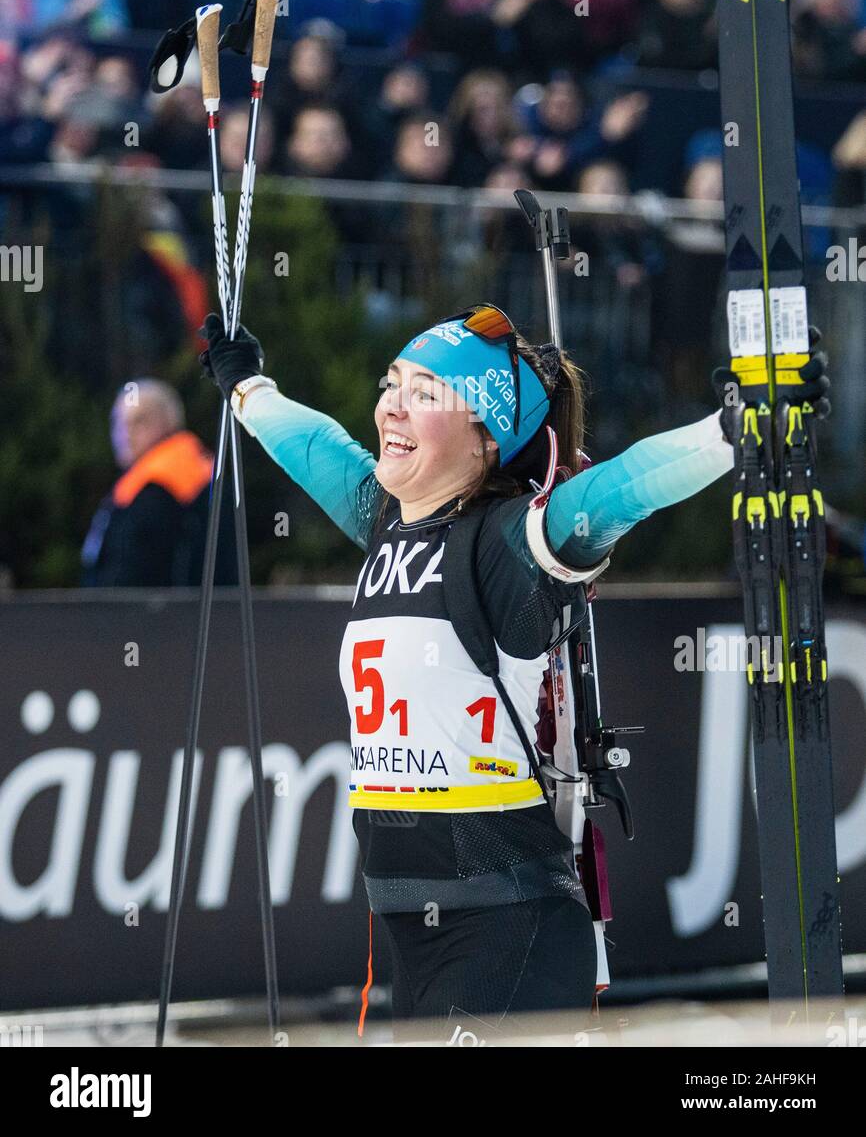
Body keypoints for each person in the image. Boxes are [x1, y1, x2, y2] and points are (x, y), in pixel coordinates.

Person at [198, 295, 826, 1039]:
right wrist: (248, 386)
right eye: (390, 384)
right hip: (409, 933)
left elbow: (620, 489)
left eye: (423, 393)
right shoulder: (385, 518)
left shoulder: (510, 545)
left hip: (508, 930)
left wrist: (734, 431)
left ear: (486, 436)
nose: (391, 408)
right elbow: (313, 446)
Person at [82, 380, 230, 588]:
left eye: (139, 421)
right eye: (119, 422)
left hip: (157, 616)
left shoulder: (163, 482)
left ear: (168, 423)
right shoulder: (174, 470)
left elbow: (133, 571)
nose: (125, 433)